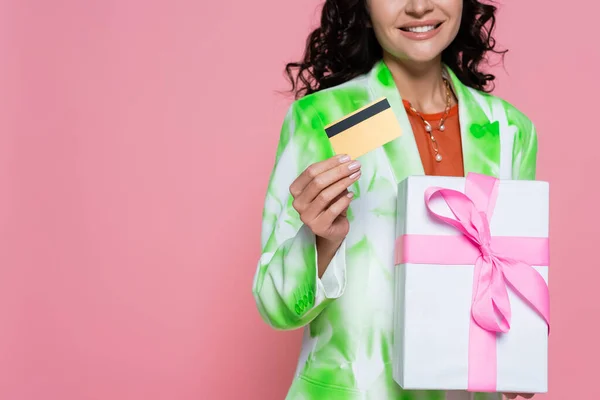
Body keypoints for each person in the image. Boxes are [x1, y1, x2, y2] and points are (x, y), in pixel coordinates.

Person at [252, 0, 538, 399]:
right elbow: (275, 305)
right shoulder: (325, 118)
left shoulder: (509, 131)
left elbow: (512, 277)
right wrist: (320, 241)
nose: (420, 6)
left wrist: (517, 360)